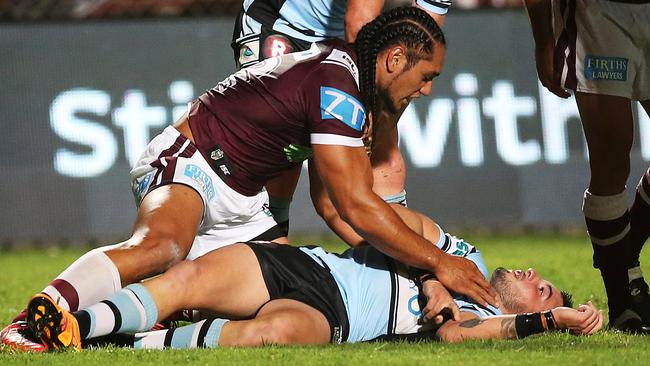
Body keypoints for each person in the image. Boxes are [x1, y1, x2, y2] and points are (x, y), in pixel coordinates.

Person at [1, 6, 495, 352]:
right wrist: (438, 262)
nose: (427, 90)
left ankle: (95, 332)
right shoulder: (337, 88)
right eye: (427, 75)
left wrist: (417, 269)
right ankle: (34, 318)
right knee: (162, 247)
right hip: (193, 161)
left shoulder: (353, 95)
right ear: (393, 60)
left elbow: (329, 207)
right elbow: (357, 205)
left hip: (246, 202)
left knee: (256, 305)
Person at [20, 205, 602, 351]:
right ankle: (73, 324)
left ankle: (123, 338)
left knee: (269, 337)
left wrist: (555, 320)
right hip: (309, 266)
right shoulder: (461, 254)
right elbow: (399, 224)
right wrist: (433, 275)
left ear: (526, 311)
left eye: (541, 286)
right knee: (189, 279)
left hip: (333, 318)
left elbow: (456, 338)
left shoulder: (477, 323)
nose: (532, 274)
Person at [231, 0, 451, 241]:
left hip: (341, 37)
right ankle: (264, 262)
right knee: (281, 164)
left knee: (382, 161)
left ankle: (405, 269)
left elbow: (422, 45)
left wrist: (383, 120)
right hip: (280, 26)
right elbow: (359, 20)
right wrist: (367, 103)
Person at [522, 0, 650, 331]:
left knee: (614, 160)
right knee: (612, 161)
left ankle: (622, 254)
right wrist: (544, 39)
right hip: (598, 13)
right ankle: (623, 304)